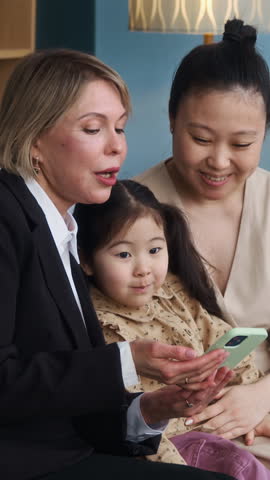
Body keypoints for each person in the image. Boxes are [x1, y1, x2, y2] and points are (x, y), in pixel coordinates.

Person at [0, 49, 236, 480]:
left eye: (121, 127)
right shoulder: (6, 216)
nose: (117, 145)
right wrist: (128, 360)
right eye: (93, 128)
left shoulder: (61, 228)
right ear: (34, 138)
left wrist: (154, 408)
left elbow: (71, 399)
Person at [135, 18, 270, 467]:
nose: (219, 161)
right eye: (200, 139)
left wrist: (259, 397)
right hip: (181, 429)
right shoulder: (128, 211)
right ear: (171, 118)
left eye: (243, 143)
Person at [74, 178, 270, 479]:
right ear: (87, 260)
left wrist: (255, 409)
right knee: (244, 468)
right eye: (124, 254)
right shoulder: (97, 324)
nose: (143, 268)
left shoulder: (174, 293)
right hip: (172, 444)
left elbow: (226, 347)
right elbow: (135, 424)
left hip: (219, 417)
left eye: (155, 250)